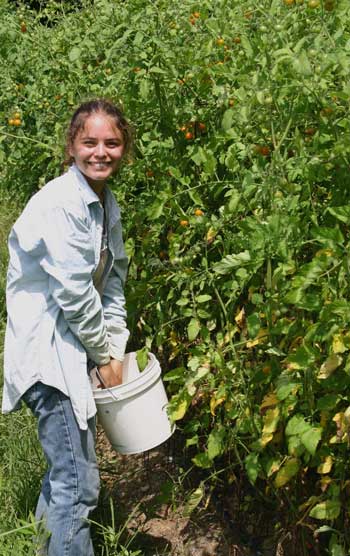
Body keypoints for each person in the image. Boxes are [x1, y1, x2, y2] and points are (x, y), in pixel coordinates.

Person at [2, 98, 132, 555]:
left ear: (124, 149)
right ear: (72, 147)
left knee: (68, 473)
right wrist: (103, 357)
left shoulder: (104, 203)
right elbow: (75, 295)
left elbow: (113, 282)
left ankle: (38, 546)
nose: (101, 151)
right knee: (78, 487)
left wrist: (113, 349)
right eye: (89, 141)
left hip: (72, 349)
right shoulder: (62, 203)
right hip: (48, 355)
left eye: (112, 143)